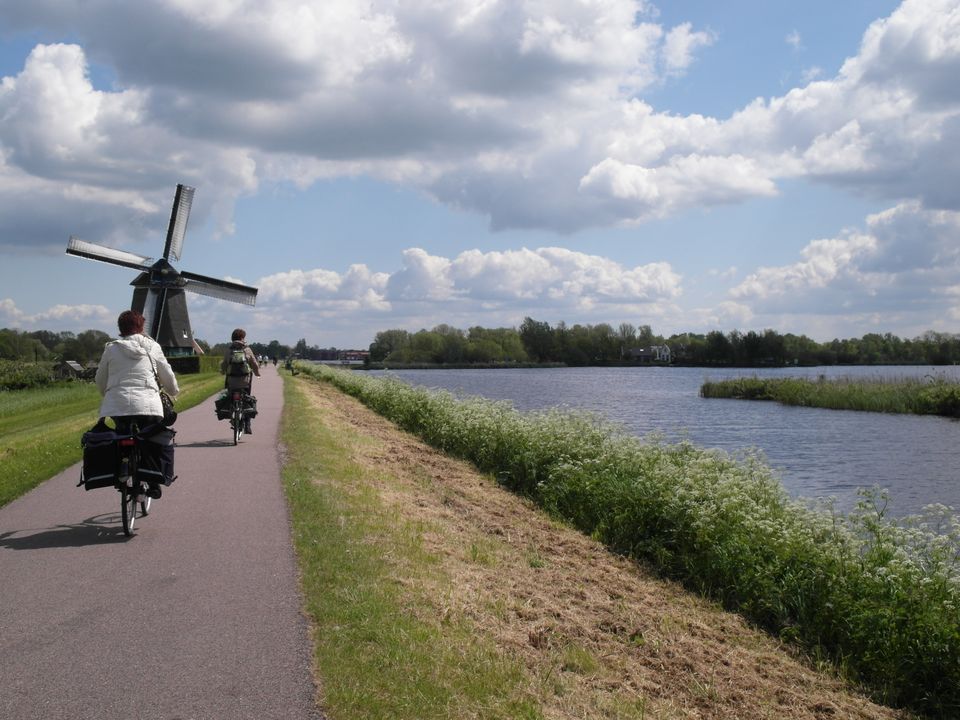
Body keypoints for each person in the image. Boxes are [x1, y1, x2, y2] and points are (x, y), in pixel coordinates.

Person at [95, 310, 180, 499]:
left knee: (121, 435)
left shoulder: (110, 349)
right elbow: (167, 374)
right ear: (141, 327)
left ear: (120, 328)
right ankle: (153, 482)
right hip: (148, 404)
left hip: (117, 405)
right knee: (150, 440)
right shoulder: (152, 346)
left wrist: (106, 395)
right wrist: (174, 391)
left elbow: (100, 379)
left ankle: (122, 469)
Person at [221, 328, 260, 434]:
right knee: (247, 399)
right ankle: (247, 424)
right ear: (242, 338)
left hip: (231, 381)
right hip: (245, 382)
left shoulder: (229, 350)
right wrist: (257, 373)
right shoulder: (247, 349)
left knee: (229, 395)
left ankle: (231, 412)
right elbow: (254, 364)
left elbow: (224, 364)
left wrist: (222, 371)